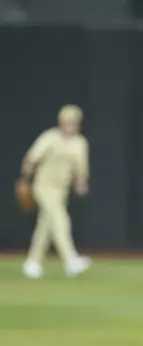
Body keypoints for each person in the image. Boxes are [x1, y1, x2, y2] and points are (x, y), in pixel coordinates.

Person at [20, 104, 92, 279]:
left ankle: (33, 262)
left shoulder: (80, 143)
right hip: (43, 186)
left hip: (62, 189)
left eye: (74, 122)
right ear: (61, 122)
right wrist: (24, 180)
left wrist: (81, 183)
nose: (71, 125)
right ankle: (70, 260)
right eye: (68, 122)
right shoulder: (50, 138)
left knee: (46, 225)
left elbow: (81, 169)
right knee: (60, 219)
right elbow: (31, 158)